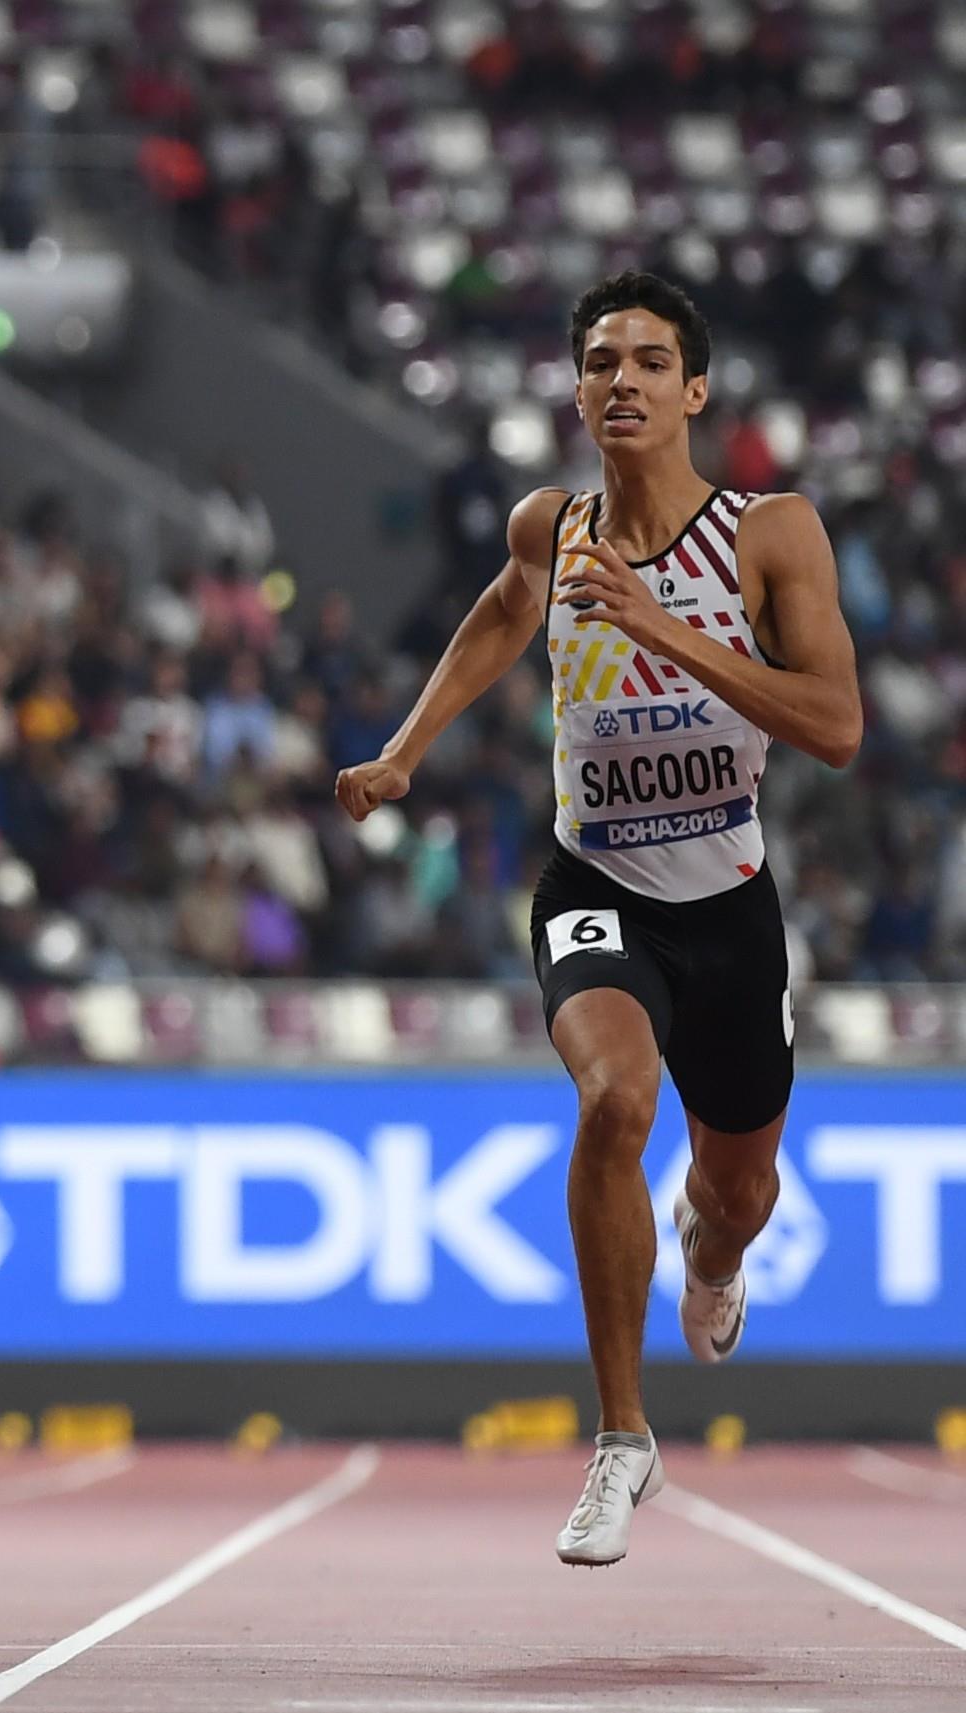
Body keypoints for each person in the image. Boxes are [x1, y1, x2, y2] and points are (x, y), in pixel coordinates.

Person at [335, 272, 860, 1566]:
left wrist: (663, 631)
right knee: (614, 1102)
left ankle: (712, 1250)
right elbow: (499, 620)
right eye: (599, 362)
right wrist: (405, 751)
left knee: (738, 1188)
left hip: (730, 907)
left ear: (695, 391)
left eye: (648, 361)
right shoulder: (549, 530)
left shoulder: (768, 536)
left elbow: (837, 727)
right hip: (596, 889)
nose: (621, 379)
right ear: (577, 394)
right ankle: (623, 1442)